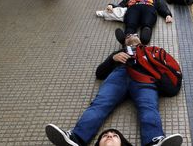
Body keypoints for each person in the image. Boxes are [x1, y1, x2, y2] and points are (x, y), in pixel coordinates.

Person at [45, 35, 184, 146]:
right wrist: (113, 59)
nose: (132, 36)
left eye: (135, 34)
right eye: (128, 35)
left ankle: (154, 140)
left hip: (145, 79)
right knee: (100, 103)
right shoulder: (119, 52)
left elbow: (170, 70)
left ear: (140, 40)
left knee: (148, 107)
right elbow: (99, 73)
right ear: (125, 42)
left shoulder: (152, 50)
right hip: (119, 76)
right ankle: (76, 138)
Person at [107, 0, 172, 45]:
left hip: (148, 6)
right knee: (131, 23)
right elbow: (123, 3)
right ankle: (127, 39)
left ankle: (143, 38)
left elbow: (161, 4)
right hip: (134, 6)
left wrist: (167, 14)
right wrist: (112, 5)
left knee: (147, 23)